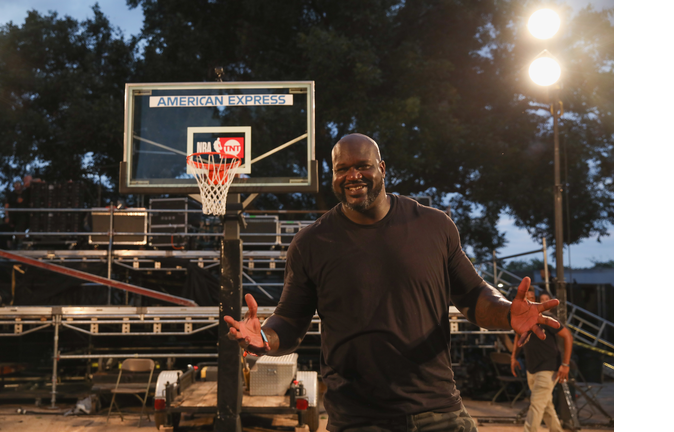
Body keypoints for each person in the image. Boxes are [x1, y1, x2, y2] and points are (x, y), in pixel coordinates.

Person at [225, 133, 561, 432]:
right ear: (333, 176)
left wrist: (506, 313)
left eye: (363, 166)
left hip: (438, 412)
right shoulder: (311, 243)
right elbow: (291, 321)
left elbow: (473, 296)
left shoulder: (434, 226)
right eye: (342, 169)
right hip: (357, 418)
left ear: (382, 168)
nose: (353, 176)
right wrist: (266, 338)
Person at [510, 288, 574, 432]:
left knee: (536, 404)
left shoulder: (545, 317)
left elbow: (568, 336)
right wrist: (513, 357)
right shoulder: (521, 318)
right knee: (545, 406)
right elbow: (517, 336)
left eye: (531, 297)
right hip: (532, 367)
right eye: (526, 297)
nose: (529, 300)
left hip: (548, 366)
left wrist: (565, 363)